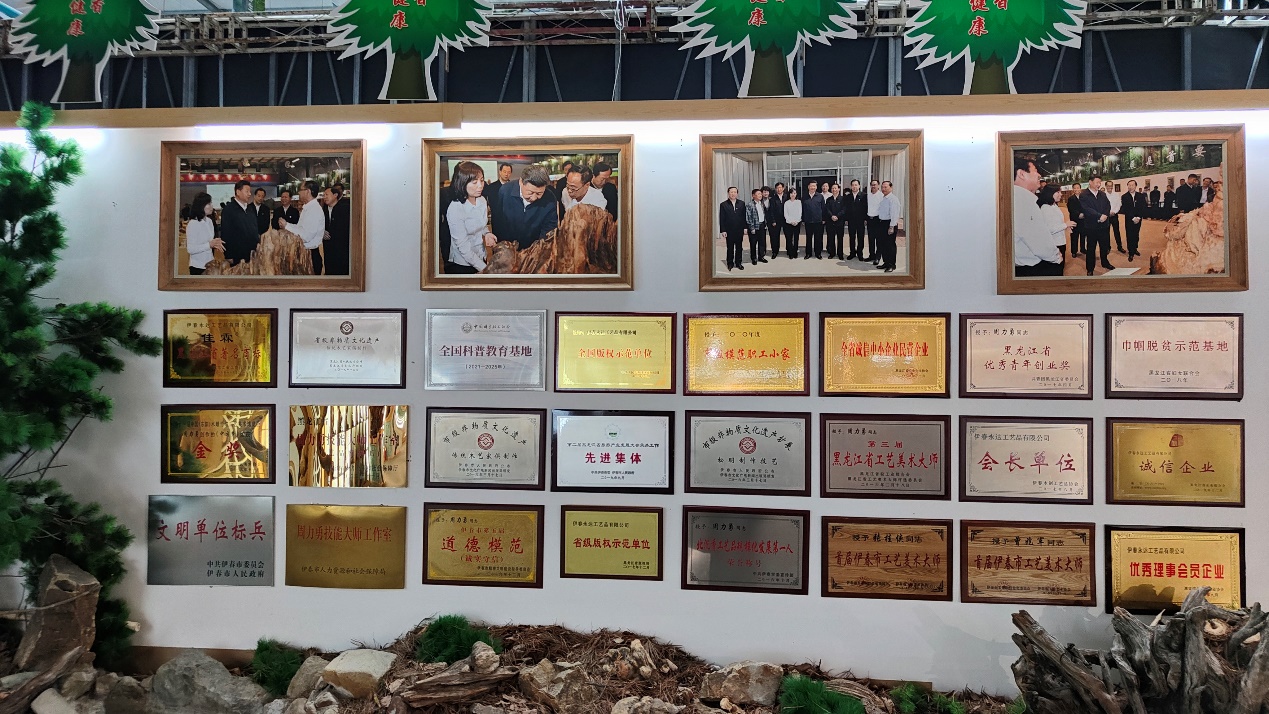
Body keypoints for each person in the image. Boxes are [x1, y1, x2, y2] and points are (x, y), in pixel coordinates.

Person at [1011, 158, 1063, 277]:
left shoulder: (1013, 198)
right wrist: (1055, 256)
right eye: (1035, 170)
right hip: (1034, 268)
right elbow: (1038, 239)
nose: (1039, 175)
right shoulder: (1023, 201)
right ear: (1022, 174)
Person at [445, 161, 497, 274]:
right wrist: (485, 269)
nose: (480, 185)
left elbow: (482, 225)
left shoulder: (482, 200)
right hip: (463, 263)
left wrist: (487, 234)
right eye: (474, 182)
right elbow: (463, 246)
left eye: (481, 180)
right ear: (462, 183)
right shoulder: (456, 208)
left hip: (481, 255)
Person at [492, 165, 558, 250]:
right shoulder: (505, 191)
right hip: (509, 247)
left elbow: (549, 228)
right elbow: (498, 221)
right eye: (530, 192)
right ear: (521, 182)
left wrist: (539, 249)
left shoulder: (549, 198)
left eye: (539, 194)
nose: (534, 198)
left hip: (534, 249)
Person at [278, 180, 327, 275]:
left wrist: (287, 226)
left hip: (310, 256)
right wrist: (287, 225)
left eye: (301, 190)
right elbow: (300, 228)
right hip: (304, 254)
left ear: (308, 191)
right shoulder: (307, 208)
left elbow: (306, 236)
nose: (299, 192)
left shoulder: (314, 210)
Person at [1079, 175, 1115, 276]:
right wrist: (1099, 216)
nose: (1099, 185)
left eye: (1100, 183)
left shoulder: (1102, 194)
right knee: (1091, 248)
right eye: (1097, 182)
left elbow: (1108, 206)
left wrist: (1105, 215)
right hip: (1091, 226)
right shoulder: (1084, 195)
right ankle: (1090, 268)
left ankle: (1105, 262)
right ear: (1090, 182)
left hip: (1104, 225)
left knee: (1104, 246)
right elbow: (1086, 209)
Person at [220, 179, 258, 265]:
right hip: (237, 255)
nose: (249, 194)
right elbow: (226, 233)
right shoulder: (229, 210)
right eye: (247, 191)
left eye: (250, 191)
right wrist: (228, 255)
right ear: (238, 192)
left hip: (252, 254)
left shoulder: (250, 208)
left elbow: (255, 229)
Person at [185, 191, 224, 275]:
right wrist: (209, 245)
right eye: (209, 204)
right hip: (198, 267)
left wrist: (215, 243)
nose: (212, 206)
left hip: (210, 264)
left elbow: (209, 241)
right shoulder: (193, 224)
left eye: (211, 203)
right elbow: (190, 249)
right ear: (201, 206)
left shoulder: (209, 221)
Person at [1037, 184, 1074, 261]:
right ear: (1050, 193)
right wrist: (1065, 225)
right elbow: (1049, 229)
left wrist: (1066, 226)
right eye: (1058, 192)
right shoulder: (1046, 208)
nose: (1061, 194)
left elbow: (1056, 223)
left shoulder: (1054, 205)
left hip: (1060, 241)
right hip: (1054, 244)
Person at [323, 184, 351, 276]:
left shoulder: (345, 209)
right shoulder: (323, 210)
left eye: (327, 195)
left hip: (342, 249)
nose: (324, 197)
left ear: (335, 195)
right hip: (328, 249)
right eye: (324, 195)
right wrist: (322, 232)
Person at [876, 180, 904, 272]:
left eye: (886, 187)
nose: (883, 189)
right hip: (882, 223)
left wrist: (891, 227)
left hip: (889, 224)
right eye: (882, 187)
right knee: (883, 244)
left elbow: (894, 214)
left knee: (890, 245)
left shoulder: (893, 199)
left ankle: (892, 265)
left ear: (891, 188)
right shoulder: (883, 198)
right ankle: (886, 262)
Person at [718, 186, 747, 272]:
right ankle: (730, 263)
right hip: (729, 230)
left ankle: (738, 263)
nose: (733, 194)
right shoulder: (723, 204)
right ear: (728, 193)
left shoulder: (742, 203)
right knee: (730, 247)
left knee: (739, 247)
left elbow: (744, 217)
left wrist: (745, 227)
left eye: (735, 192)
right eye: (731, 192)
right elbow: (722, 218)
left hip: (739, 229)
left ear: (737, 193)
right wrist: (723, 230)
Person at [1121, 179, 1143, 262]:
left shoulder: (1140, 196)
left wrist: (1139, 217)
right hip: (1129, 219)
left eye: (1132, 185)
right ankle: (1131, 252)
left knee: (1136, 234)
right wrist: (1133, 218)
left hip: (1138, 219)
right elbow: (1125, 209)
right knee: (1130, 235)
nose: (1130, 187)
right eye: (1129, 185)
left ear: (1135, 186)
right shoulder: (1124, 196)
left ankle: (1135, 248)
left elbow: (1143, 207)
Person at [745, 188, 768, 266]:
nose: (760, 195)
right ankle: (754, 258)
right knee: (753, 243)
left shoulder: (761, 203)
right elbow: (748, 217)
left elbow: (763, 215)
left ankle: (761, 257)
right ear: (753, 195)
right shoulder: (750, 205)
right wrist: (751, 228)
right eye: (758, 194)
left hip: (762, 226)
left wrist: (765, 224)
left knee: (762, 242)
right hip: (754, 227)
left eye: (760, 194)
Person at [845, 179, 867, 260]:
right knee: (852, 237)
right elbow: (846, 209)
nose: (854, 187)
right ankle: (852, 253)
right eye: (853, 185)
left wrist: (865, 219)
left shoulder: (864, 196)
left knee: (860, 237)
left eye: (856, 185)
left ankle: (860, 253)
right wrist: (846, 219)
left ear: (859, 186)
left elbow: (866, 208)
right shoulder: (848, 197)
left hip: (860, 220)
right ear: (851, 186)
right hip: (851, 220)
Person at [802, 180, 824, 259]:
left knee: (818, 238)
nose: (812, 187)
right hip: (808, 221)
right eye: (811, 186)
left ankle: (818, 253)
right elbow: (802, 209)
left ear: (816, 187)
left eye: (814, 186)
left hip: (818, 221)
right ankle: (808, 253)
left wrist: (823, 219)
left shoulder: (820, 196)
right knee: (808, 238)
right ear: (808, 187)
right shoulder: (804, 197)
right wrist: (803, 219)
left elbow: (823, 208)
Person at [825, 183, 846, 260]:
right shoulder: (829, 199)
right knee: (831, 238)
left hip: (840, 221)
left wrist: (838, 216)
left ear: (839, 189)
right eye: (833, 188)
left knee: (840, 238)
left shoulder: (843, 199)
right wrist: (831, 216)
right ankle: (832, 253)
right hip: (830, 221)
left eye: (835, 188)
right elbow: (827, 209)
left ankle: (840, 254)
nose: (834, 190)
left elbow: (844, 209)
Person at [865, 178, 883, 264]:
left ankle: (877, 257)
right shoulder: (868, 195)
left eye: (875, 185)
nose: (873, 186)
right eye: (872, 185)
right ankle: (871, 255)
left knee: (878, 239)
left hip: (878, 220)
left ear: (878, 185)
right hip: (870, 219)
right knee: (871, 239)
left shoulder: (881, 196)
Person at [767, 182, 787, 258]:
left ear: (783, 188)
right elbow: (771, 211)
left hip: (786, 220)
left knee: (788, 236)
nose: (779, 189)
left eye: (780, 187)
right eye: (777, 188)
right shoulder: (772, 199)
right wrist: (773, 221)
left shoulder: (787, 197)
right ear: (775, 189)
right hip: (776, 220)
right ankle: (775, 251)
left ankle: (789, 250)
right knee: (774, 236)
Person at [782, 187, 802, 259]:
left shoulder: (798, 202)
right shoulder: (786, 203)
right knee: (789, 238)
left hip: (797, 223)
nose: (793, 195)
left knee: (796, 238)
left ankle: (795, 251)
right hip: (788, 223)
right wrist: (790, 221)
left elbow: (800, 212)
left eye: (794, 193)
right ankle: (790, 252)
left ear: (796, 194)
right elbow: (785, 214)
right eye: (791, 193)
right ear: (789, 194)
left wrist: (797, 221)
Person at [1104, 181, 1124, 253]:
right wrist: (1108, 212)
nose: (1110, 187)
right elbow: (1102, 206)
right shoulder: (1103, 195)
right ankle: (1107, 247)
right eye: (1108, 186)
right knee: (1106, 232)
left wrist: (1114, 212)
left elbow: (1119, 204)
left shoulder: (1116, 195)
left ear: (1112, 186)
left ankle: (1120, 247)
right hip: (1106, 216)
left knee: (1117, 232)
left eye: (1111, 186)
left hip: (1114, 215)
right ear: (1106, 186)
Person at [1065, 184, 1084, 256]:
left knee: (1083, 235)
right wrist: (1078, 214)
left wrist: (1084, 214)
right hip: (1074, 220)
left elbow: (1086, 207)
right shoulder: (1071, 198)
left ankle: (1083, 249)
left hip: (1083, 220)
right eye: (1075, 188)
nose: (1076, 189)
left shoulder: (1084, 197)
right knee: (1074, 236)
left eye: (1078, 188)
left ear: (1080, 189)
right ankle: (1074, 251)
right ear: (1073, 189)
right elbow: (1071, 209)